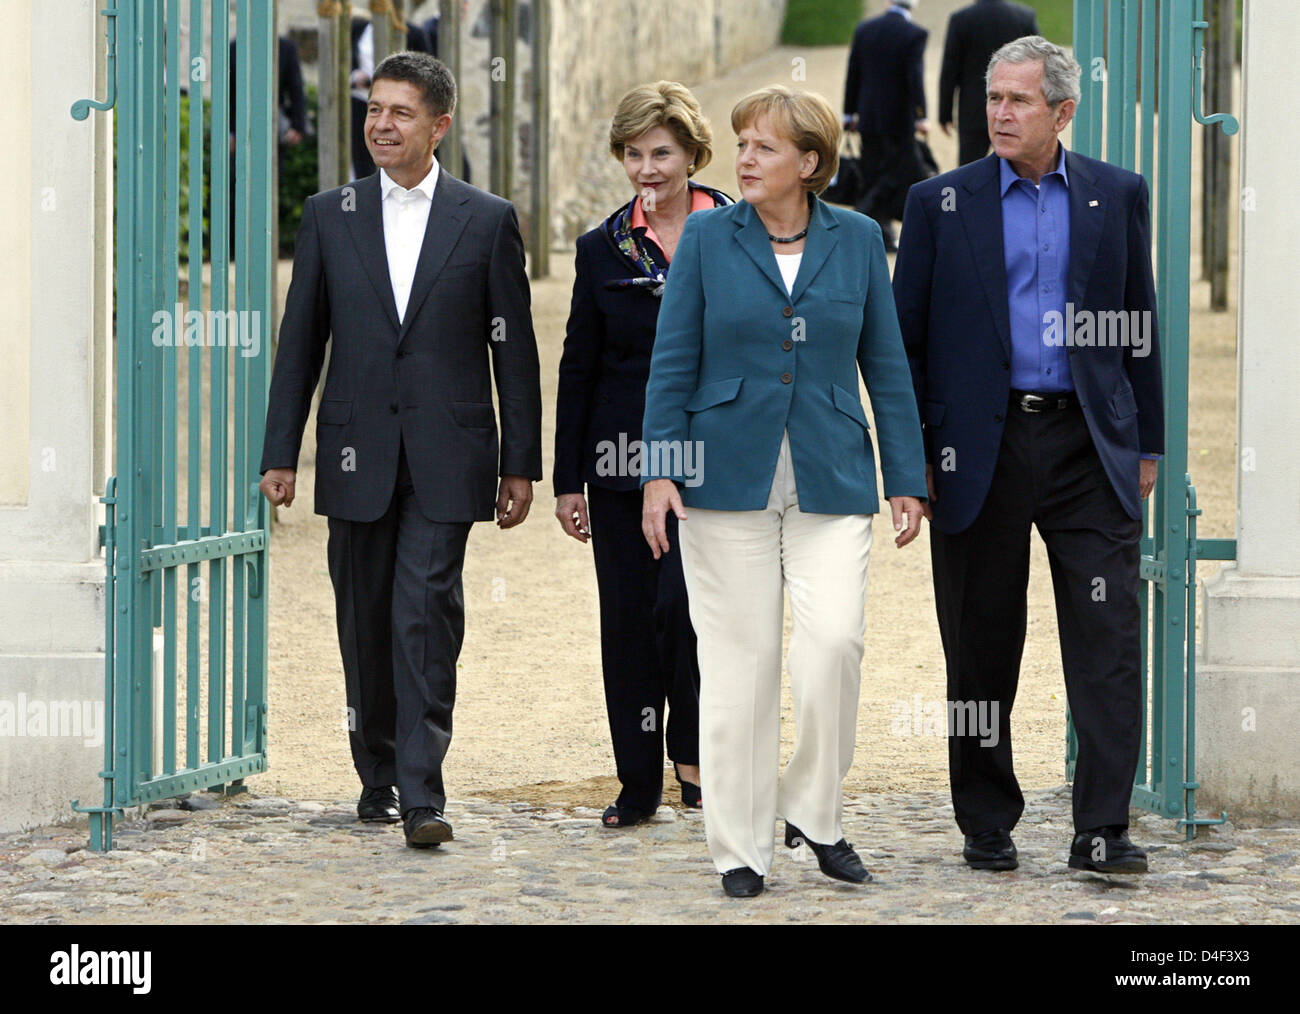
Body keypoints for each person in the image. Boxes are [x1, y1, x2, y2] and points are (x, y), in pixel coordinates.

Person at [641, 86, 927, 898]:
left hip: (832, 473)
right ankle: (739, 847)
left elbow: (888, 366)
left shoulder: (862, 238)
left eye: (763, 147)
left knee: (833, 645)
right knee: (741, 665)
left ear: (810, 161)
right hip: (720, 476)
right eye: (741, 145)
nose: (745, 160)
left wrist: (906, 475)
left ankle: (814, 809)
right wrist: (658, 469)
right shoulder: (705, 236)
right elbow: (673, 361)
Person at [892, 36, 1163, 875]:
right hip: (980, 447)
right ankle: (985, 817)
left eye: (1018, 101)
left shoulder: (1118, 195)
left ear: (1062, 111)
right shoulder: (939, 202)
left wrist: (1146, 443)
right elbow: (903, 348)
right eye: (992, 99)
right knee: (979, 641)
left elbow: (1137, 326)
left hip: (1089, 446)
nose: (999, 114)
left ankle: (1103, 828)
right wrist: (910, 465)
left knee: (1107, 637)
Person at [258, 52, 541, 849]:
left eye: (400, 113)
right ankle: (375, 774)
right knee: (364, 619)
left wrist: (520, 462)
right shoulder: (328, 214)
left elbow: (513, 352)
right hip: (356, 451)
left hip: (449, 455)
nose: (381, 124)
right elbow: (300, 344)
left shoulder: (486, 219)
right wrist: (281, 451)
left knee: (425, 614)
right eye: (374, 110)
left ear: (439, 124)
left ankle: (424, 794)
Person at [554, 83, 731, 828]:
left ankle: (694, 757)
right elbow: (577, 364)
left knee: (689, 613)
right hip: (621, 459)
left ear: (692, 153)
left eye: (661, 153)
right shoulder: (600, 249)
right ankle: (637, 782)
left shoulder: (737, 231)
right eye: (633, 154)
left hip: (717, 456)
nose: (647, 168)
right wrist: (568, 480)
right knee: (628, 621)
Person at [843, 0, 929, 251]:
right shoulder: (915, 33)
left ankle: (880, 232)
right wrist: (921, 115)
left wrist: (849, 113)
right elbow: (915, 78)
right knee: (898, 174)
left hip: (868, 117)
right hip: (899, 120)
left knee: (872, 173)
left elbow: (854, 72)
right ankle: (867, 221)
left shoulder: (865, 29)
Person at [937, 0, 1039, 165]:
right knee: (1018, 170)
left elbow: (950, 70)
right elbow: (1039, 65)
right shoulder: (1024, 16)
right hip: (1015, 109)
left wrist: (945, 113)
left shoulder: (961, 19)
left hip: (973, 110)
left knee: (969, 175)